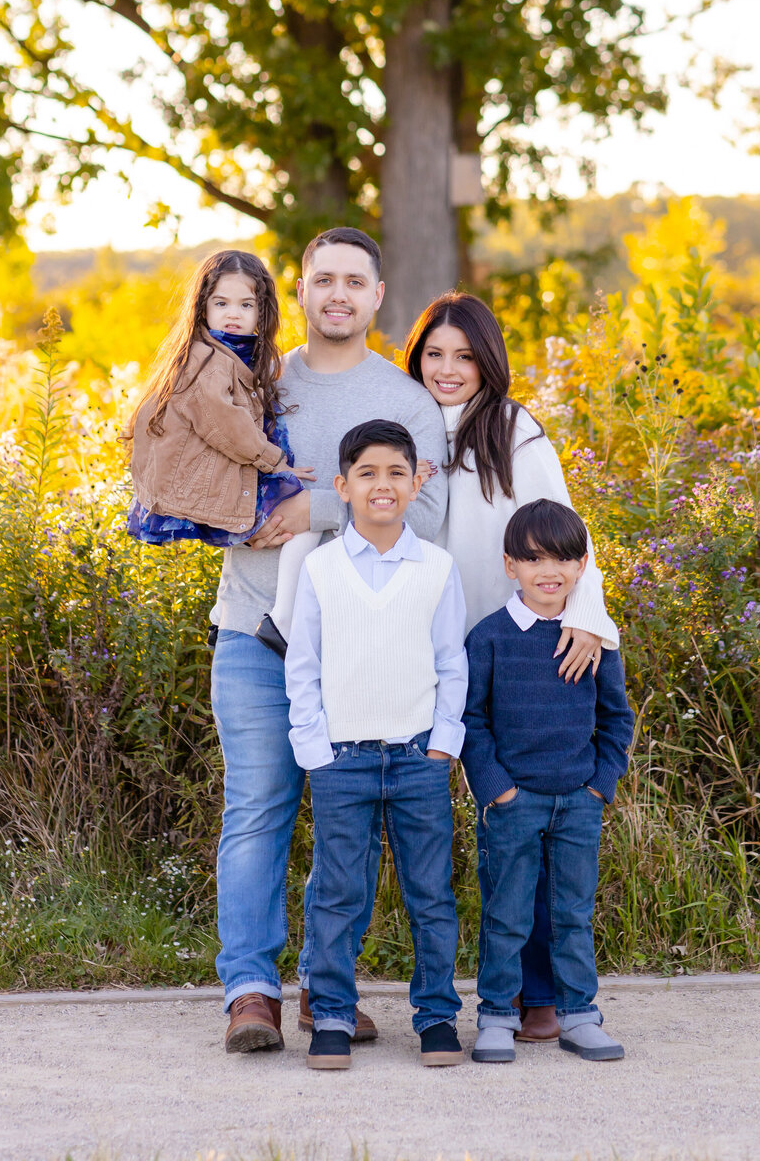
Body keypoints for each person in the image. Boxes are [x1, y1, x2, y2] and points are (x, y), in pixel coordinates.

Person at [210, 228, 448, 1055]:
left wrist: (325, 509)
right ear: (300, 293)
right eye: (322, 281)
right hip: (252, 631)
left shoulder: (406, 402)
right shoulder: (250, 382)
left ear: (378, 295)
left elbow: (428, 518)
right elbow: (193, 468)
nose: (337, 294)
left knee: (344, 824)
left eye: (354, 281)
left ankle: (326, 990)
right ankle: (249, 992)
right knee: (258, 809)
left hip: (364, 651)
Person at [405, 290, 619, 1040]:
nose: (449, 368)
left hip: (512, 648)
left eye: (465, 355)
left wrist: (588, 619)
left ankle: (538, 996)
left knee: (523, 820)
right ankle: (447, 996)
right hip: (425, 653)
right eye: (435, 353)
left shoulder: (515, 430)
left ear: (487, 360)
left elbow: (566, 530)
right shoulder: (409, 424)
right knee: (455, 829)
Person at [286, 418, 467, 1071]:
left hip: (418, 757)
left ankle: (437, 1017)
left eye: (397, 472)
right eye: (367, 474)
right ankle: (331, 1016)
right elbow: (302, 665)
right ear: (343, 486)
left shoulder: (436, 569)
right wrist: (315, 751)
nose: (383, 485)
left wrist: (445, 743)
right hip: (344, 761)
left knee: (430, 895)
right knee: (338, 892)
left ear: (416, 481)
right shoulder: (321, 569)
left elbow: (452, 663)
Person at [461, 499, 634, 1065]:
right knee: (507, 913)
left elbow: (616, 719)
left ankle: (579, 1015)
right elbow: (472, 721)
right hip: (515, 802)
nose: (549, 571)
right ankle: (496, 1017)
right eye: (534, 559)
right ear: (511, 566)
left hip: (578, 802)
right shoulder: (489, 638)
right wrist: (497, 791)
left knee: (571, 913)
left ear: (582, 565)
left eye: (563, 558)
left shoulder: (593, 638)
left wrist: (599, 785)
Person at [125, 248, 313, 551]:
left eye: (246, 304)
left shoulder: (233, 354)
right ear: (204, 308)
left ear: (261, 311)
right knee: (304, 509)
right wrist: (276, 463)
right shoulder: (207, 361)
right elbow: (227, 425)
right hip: (198, 488)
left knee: (298, 523)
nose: (233, 314)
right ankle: (293, 597)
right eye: (221, 303)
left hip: (208, 481)